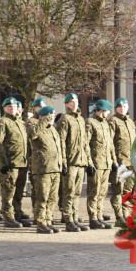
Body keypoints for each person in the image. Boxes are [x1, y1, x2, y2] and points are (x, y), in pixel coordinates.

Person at [55, 93, 90, 232]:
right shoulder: (64, 119)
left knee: (77, 192)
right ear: (66, 104)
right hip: (70, 161)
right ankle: (68, 220)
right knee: (68, 192)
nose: (74, 104)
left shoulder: (81, 119)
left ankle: (75, 218)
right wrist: (63, 161)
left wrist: (88, 160)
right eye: (70, 102)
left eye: (75, 101)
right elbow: (61, 142)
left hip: (80, 161)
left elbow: (85, 142)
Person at [0, 97, 28, 228]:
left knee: (18, 192)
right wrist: (3, 162)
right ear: (4, 108)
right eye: (9, 106)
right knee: (9, 192)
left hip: (22, 163)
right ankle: (8, 217)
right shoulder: (3, 122)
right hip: (10, 164)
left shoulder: (20, 122)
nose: (12, 108)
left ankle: (17, 214)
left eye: (13, 106)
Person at [29, 106, 64, 234]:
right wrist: (43, 121)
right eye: (50, 115)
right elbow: (32, 135)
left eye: (53, 115)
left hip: (55, 168)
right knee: (42, 198)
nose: (52, 117)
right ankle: (41, 223)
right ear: (42, 116)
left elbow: (59, 148)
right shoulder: (37, 128)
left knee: (52, 198)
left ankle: (48, 221)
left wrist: (62, 164)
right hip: (42, 170)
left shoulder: (53, 130)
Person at [86, 100, 116, 229]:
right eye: (107, 111)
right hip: (96, 163)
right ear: (102, 110)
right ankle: (93, 219)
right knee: (94, 192)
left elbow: (110, 145)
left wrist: (114, 161)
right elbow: (85, 144)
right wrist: (89, 163)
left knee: (102, 193)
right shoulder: (90, 122)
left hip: (106, 163)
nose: (108, 114)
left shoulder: (105, 124)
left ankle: (99, 216)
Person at [109, 97, 135, 222]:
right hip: (120, 161)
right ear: (116, 108)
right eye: (119, 107)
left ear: (127, 107)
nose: (122, 108)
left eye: (124, 106)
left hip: (131, 162)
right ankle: (119, 215)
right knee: (118, 190)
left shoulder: (130, 122)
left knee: (128, 190)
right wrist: (114, 160)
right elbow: (110, 142)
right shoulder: (113, 121)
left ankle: (127, 213)